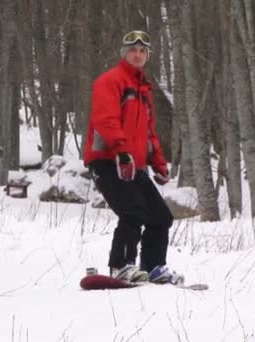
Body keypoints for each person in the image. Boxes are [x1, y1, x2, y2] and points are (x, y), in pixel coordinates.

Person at [83, 30, 183, 284]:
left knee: (160, 216)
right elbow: (105, 119)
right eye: (132, 50)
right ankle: (121, 266)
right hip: (107, 160)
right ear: (124, 54)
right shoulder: (110, 81)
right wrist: (121, 150)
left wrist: (159, 164)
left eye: (142, 51)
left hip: (132, 163)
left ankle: (153, 267)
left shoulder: (143, 89)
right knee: (133, 212)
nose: (137, 55)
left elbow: (149, 133)